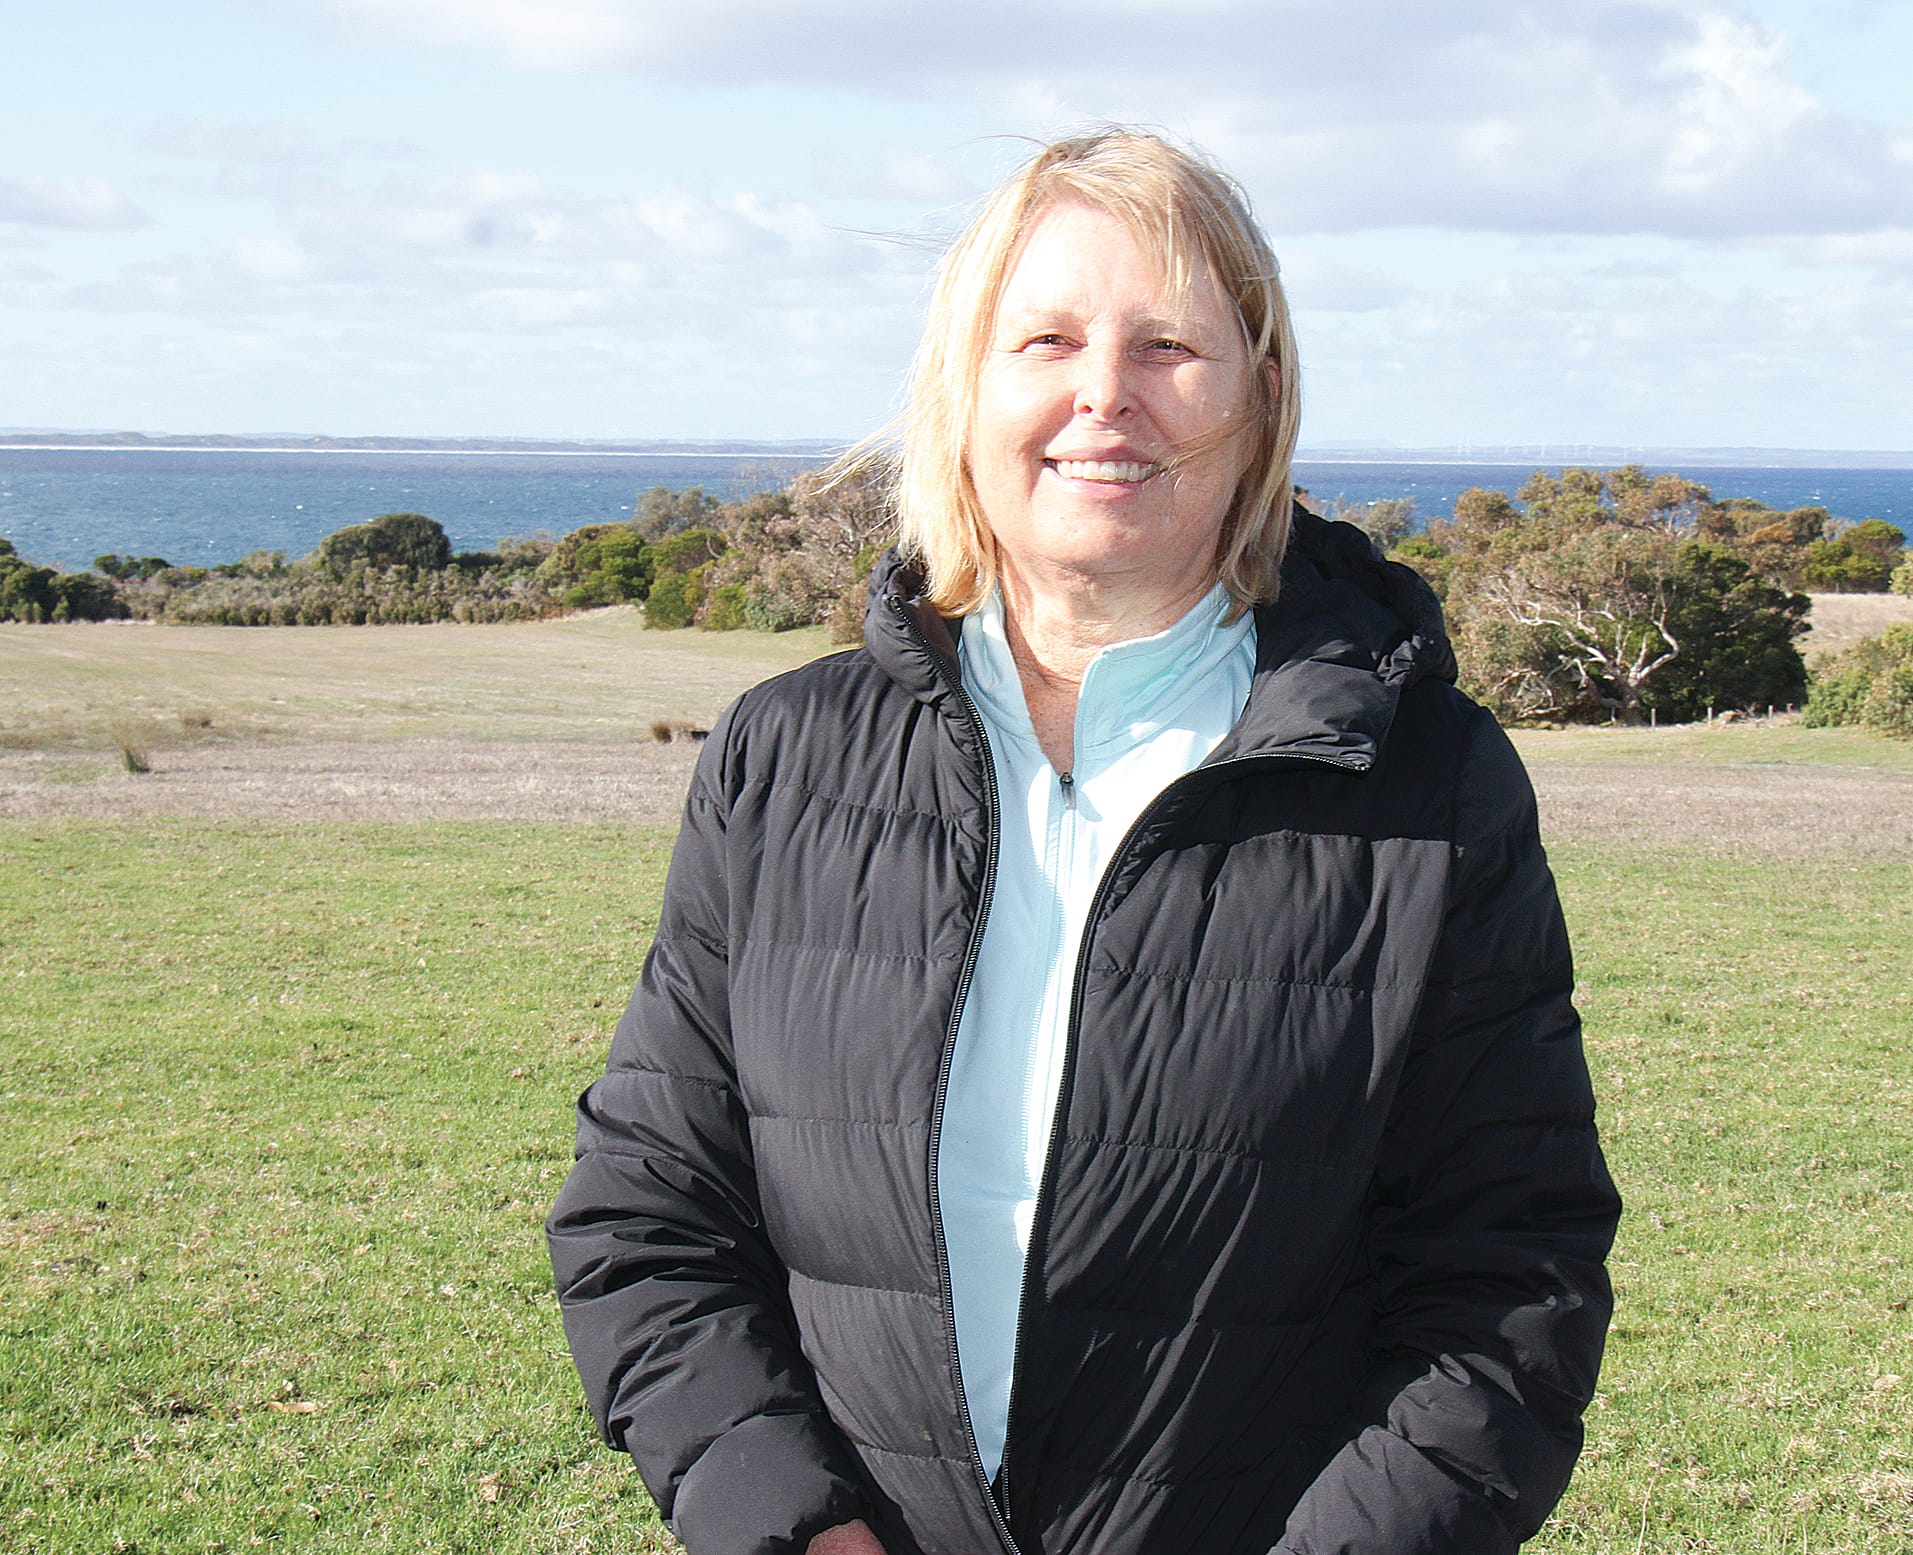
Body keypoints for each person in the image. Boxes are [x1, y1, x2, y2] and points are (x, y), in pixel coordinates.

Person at [548, 129, 1620, 1555]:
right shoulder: (783, 758)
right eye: (1044, 338)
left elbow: (1507, 1279)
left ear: (1260, 395)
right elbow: (648, 1218)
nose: (1103, 396)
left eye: (1169, 343)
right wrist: (796, 1532)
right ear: (964, 389)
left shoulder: (1424, 784)